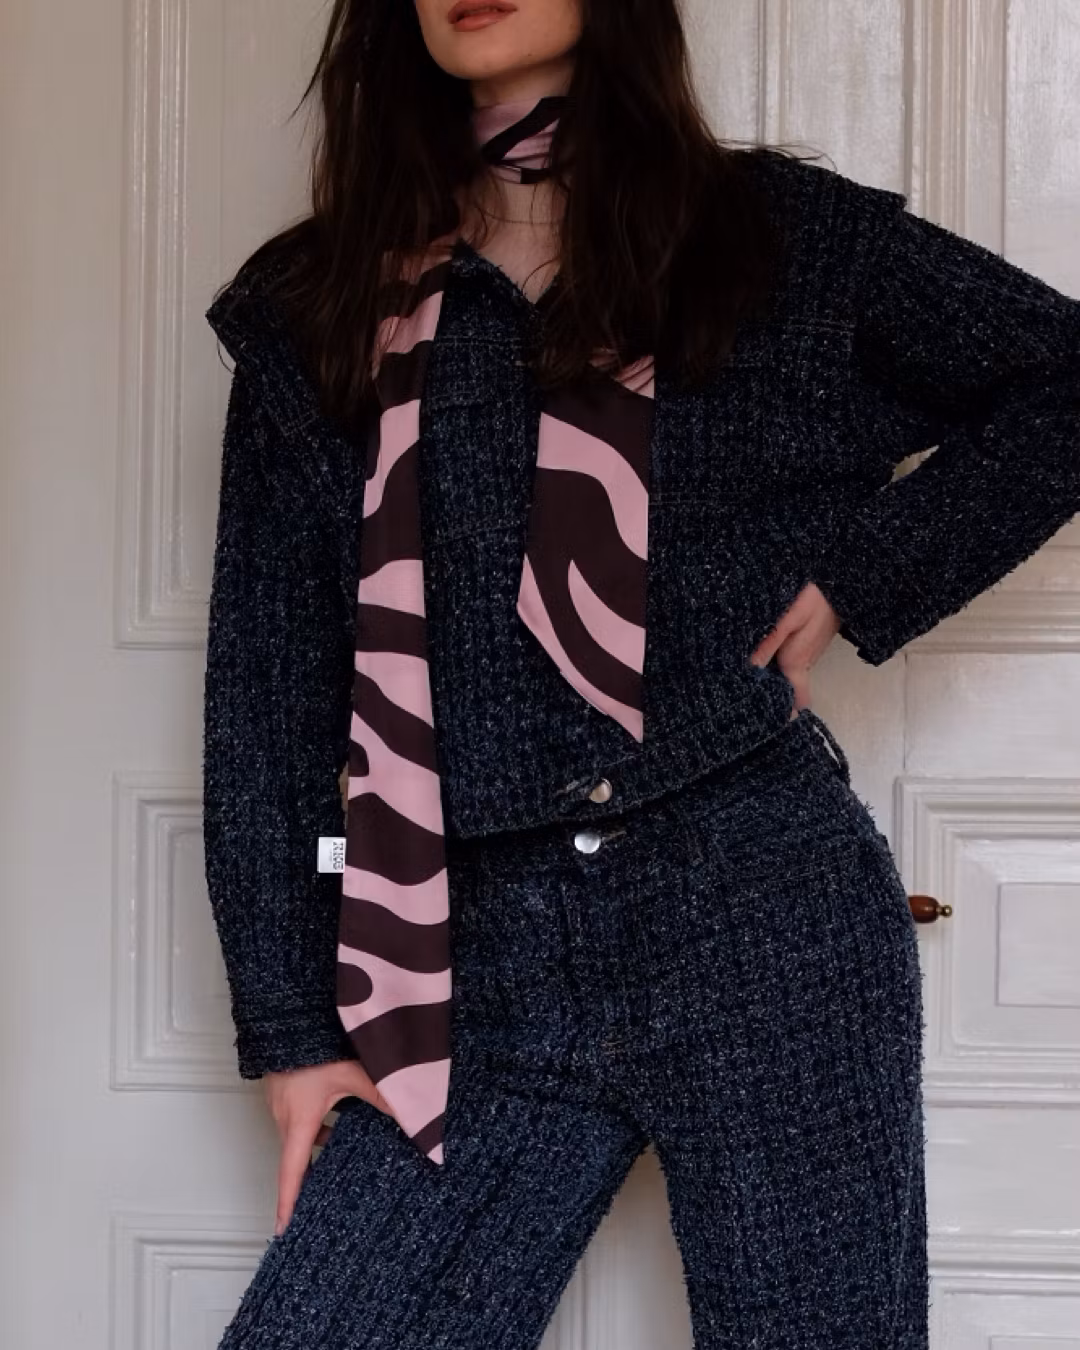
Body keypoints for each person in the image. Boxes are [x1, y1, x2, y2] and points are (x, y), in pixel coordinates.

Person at [200, 2, 1080, 1347]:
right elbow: (268, 688)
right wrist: (290, 1026)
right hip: (462, 956)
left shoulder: (772, 242)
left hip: (761, 921)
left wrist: (864, 576)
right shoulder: (313, 304)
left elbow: (1063, 381)